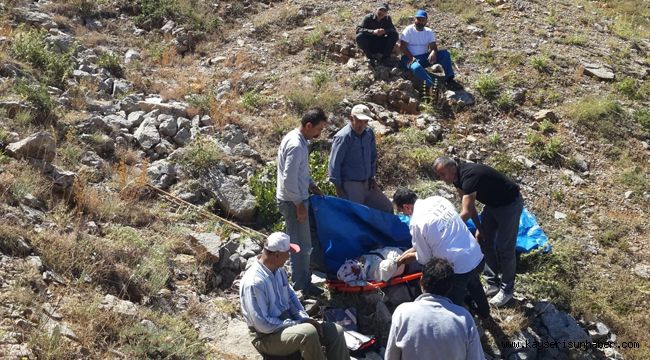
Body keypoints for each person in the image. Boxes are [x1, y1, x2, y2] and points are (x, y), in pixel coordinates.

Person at [240, 232, 350, 360]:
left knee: (335, 331)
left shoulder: (279, 271)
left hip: (284, 324)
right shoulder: (254, 282)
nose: (288, 256)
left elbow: (291, 298)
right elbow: (262, 324)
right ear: (276, 255)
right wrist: (296, 323)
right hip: (265, 336)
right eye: (287, 253)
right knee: (307, 333)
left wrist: (304, 318)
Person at [434, 156, 524, 307]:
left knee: (505, 248)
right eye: (439, 175)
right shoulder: (457, 179)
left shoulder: (470, 176)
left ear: (452, 168)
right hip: (492, 205)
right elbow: (471, 209)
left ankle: (507, 291)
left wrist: (446, 231)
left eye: (442, 174)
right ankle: (492, 283)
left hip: (509, 205)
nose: (441, 178)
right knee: (484, 240)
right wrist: (480, 228)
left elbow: (466, 211)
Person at [392, 188, 490, 319]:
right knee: (474, 283)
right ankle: (485, 313)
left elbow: (425, 259)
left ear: (407, 207)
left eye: (402, 211)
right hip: (475, 253)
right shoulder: (438, 200)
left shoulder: (416, 223)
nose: (405, 214)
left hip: (458, 267)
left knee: (453, 301)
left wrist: (407, 258)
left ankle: (461, 325)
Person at [385, 257, 485, 360]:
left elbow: (391, 356)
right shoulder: (464, 319)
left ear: (421, 281)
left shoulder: (402, 313)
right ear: (450, 287)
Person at [276, 108, 327, 296]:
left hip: (294, 198)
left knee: (302, 244)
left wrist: (311, 185)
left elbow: (299, 172)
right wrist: (299, 205)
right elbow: (289, 178)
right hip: (292, 201)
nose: (319, 134)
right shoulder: (296, 145)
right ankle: (301, 286)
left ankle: (302, 281)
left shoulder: (296, 139)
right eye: (319, 129)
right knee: (301, 246)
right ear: (308, 125)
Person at [327, 104, 393, 213]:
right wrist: (338, 188)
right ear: (351, 118)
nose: (362, 125)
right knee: (357, 215)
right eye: (359, 121)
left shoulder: (369, 133)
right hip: (351, 185)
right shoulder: (343, 137)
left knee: (386, 208)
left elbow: (372, 156)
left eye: (365, 121)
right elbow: (334, 163)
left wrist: (372, 178)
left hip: (367, 183)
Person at [399, 9, 457, 88]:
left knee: (445, 54)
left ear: (426, 21)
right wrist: (411, 57)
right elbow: (402, 46)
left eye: (423, 20)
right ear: (414, 19)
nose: (420, 22)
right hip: (408, 58)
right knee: (416, 67)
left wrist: (433, 52)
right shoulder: (408, 30)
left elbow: (433, 47)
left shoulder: (429, 32)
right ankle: (432, 86)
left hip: (424, 58)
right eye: (418, 19)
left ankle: (450, 79)